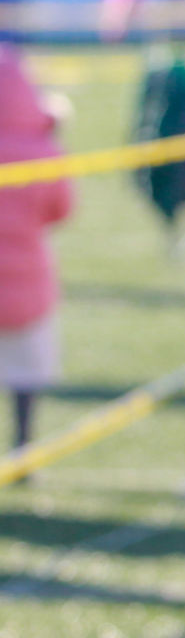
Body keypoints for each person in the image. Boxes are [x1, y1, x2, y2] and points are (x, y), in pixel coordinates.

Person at [0, 47, 75, 455]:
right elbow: (62, 210)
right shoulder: (43, 151)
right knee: (25, 374)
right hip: (27, 286)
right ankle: (23, 448)